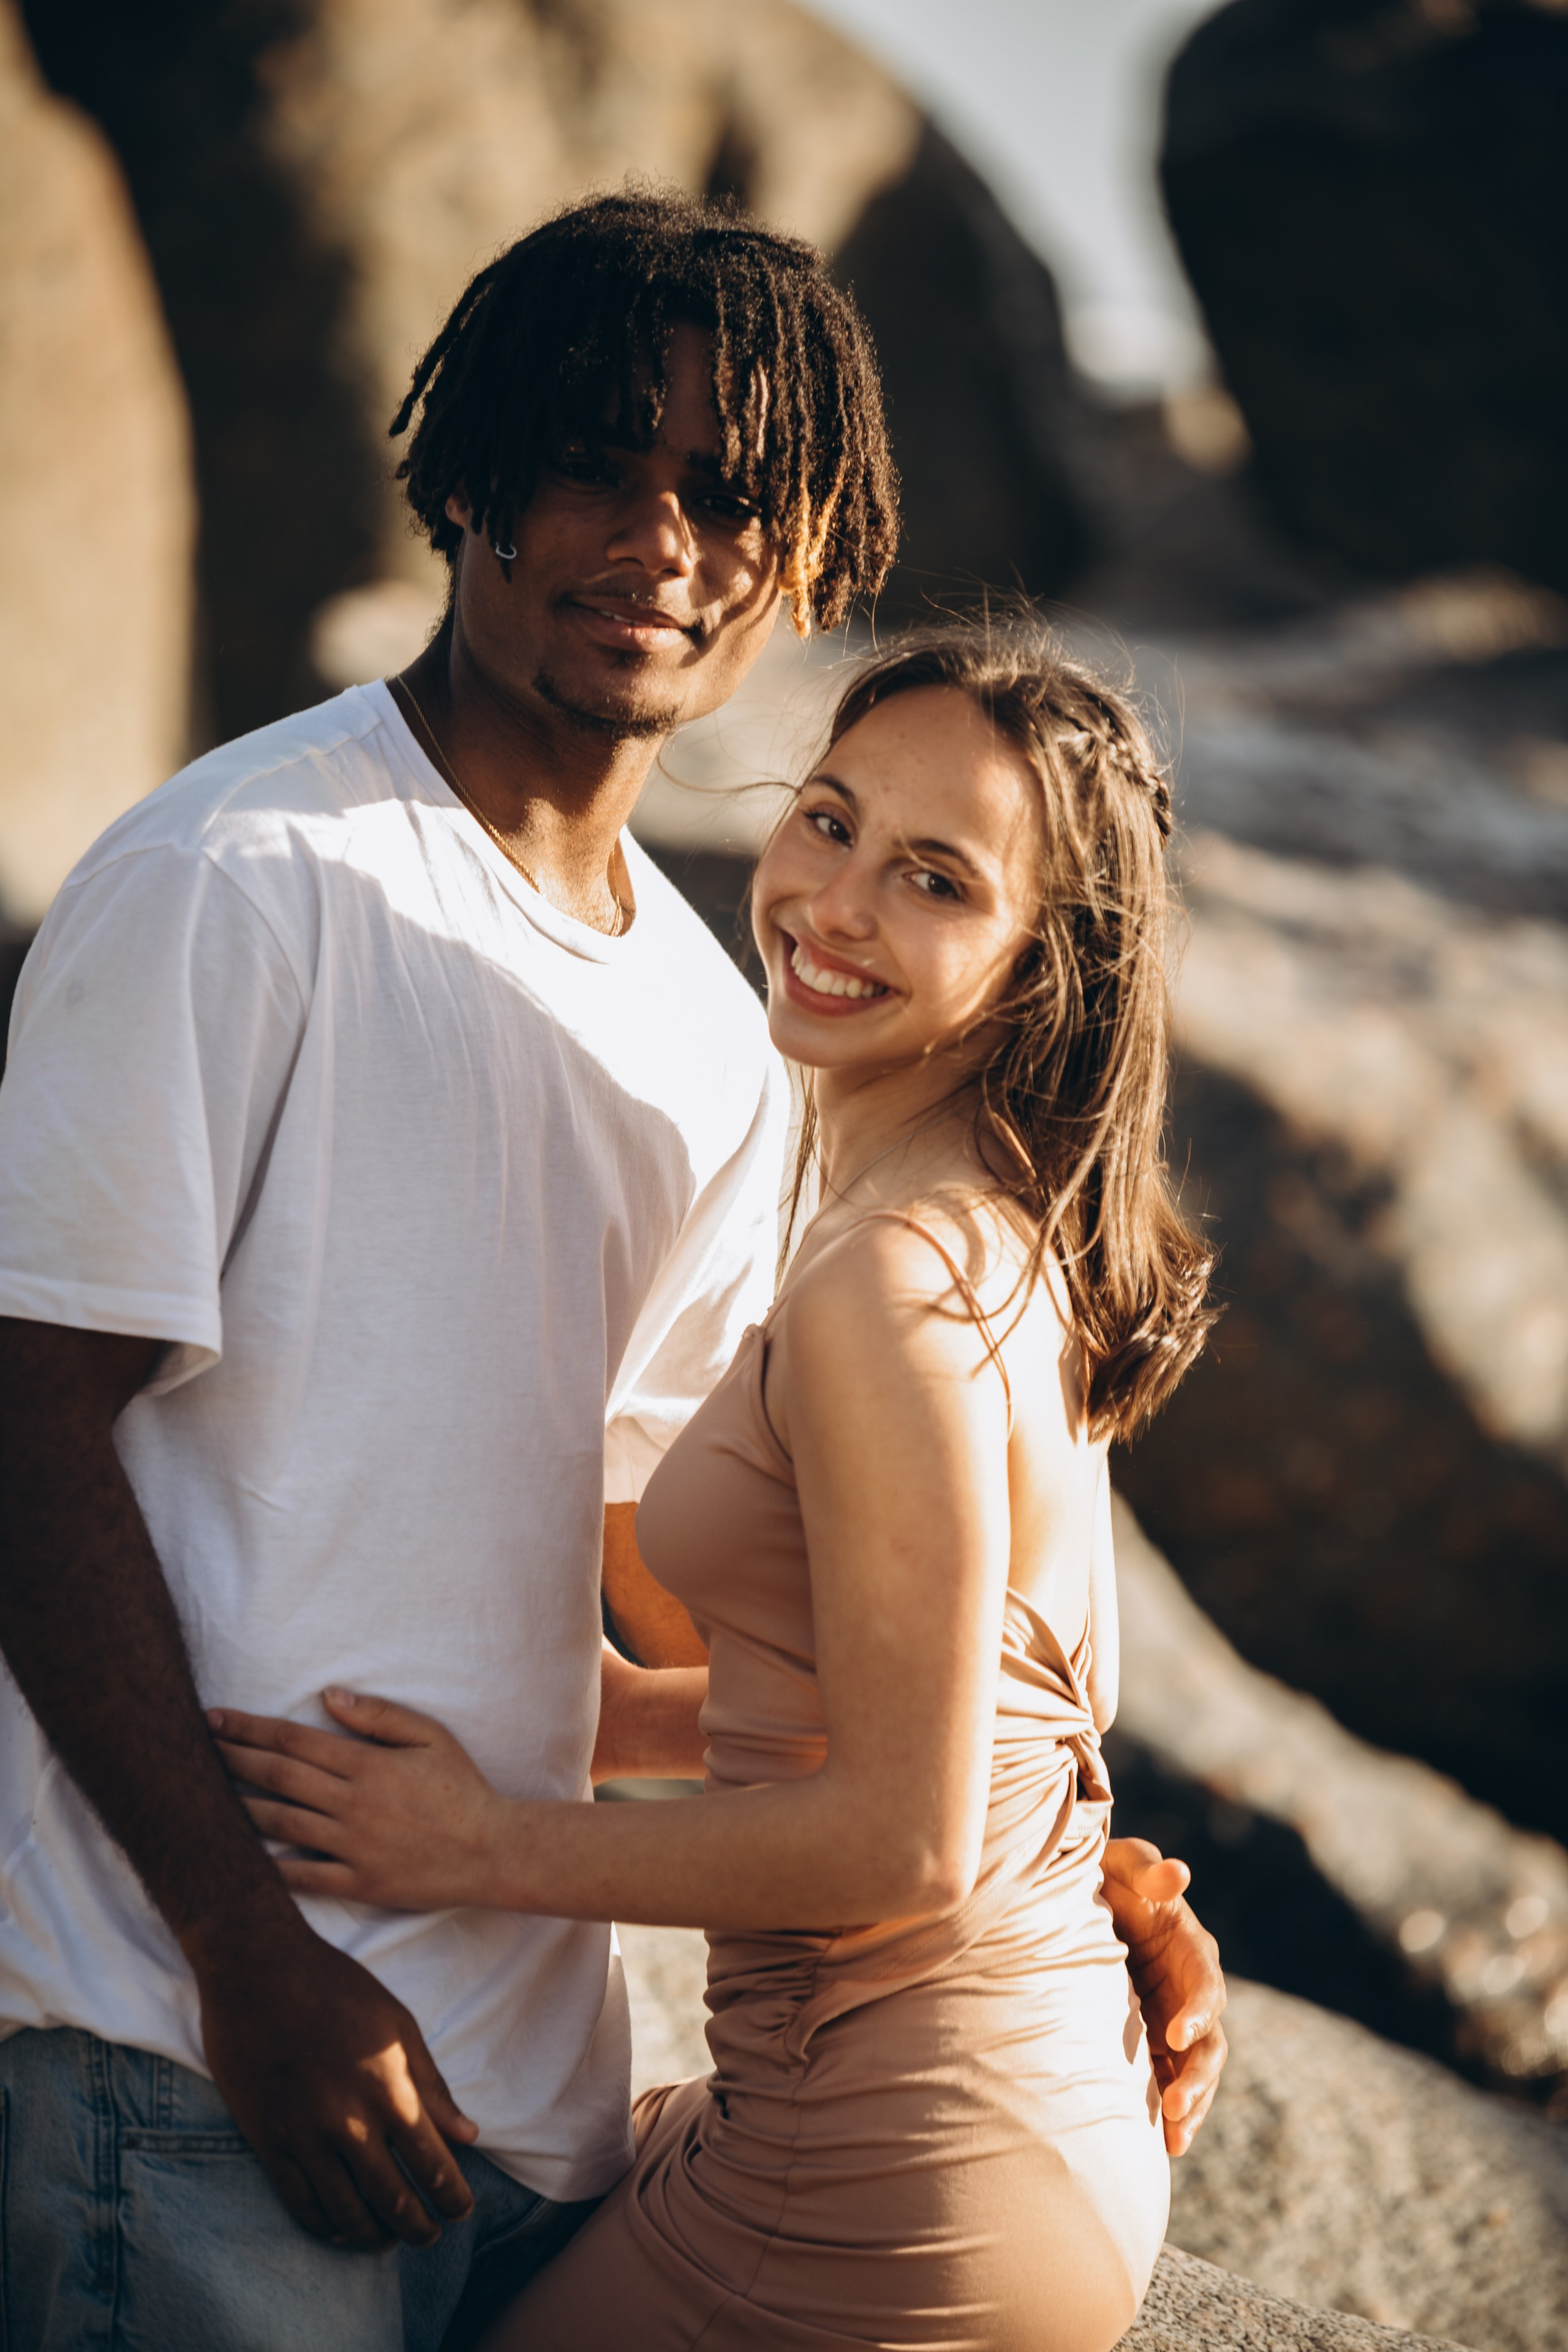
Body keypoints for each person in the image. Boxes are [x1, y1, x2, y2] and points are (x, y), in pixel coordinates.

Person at [0, 189, 1223, 2350]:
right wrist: (245, 1957)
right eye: (594, 457)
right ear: (468, 470)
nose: (661, 537)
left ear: (808, 551)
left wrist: (1035, 1869)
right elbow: (25, 1437)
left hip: (534, 2095)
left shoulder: (712, 1011)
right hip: (189, 2059)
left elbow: (684, 1589)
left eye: (731, 493)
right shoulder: (233, 879)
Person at [213, 621, 1223, 2352]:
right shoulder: (1004, 1249)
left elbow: (903, 1837)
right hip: (1031, 2120)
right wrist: (599, 1721)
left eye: (933, 879)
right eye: (827, 819)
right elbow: (979, 1712)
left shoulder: (889, 1288)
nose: (834, 905)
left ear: (1047, 964)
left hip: (892, 2163)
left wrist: (483, 1844)